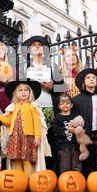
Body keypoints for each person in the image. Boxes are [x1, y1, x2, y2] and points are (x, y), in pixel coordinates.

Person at [22, 35, 65, 172]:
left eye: (39, 45)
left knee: (51, 141)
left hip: (50, 108)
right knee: (33, 141)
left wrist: (52, 86)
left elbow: (63, 88)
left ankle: (52, 172)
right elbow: (20, 89)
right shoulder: (25, 68)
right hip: (32, 109)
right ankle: (35, 172)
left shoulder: (52, 66)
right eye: (33, 45)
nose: (37, 47)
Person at [0, 80, 52, 178]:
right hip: (15, 137)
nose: (23, 92)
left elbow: (36, 123)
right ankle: (19, 180)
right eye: (20, 90)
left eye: (26, 90)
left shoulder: (32, 107)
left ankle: (28, 179)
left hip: (27, 137)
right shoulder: (13, 107)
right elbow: (8, 121)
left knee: (26, 159)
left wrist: (37, 137)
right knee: (16, 159)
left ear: (30, 93)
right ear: (16, 94)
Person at [52, 94, 81, 173]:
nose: (65, 104)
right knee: (65, 166)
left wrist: (78, 129)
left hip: (75, 146)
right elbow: (55, 129)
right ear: (59, 106)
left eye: (67, 103)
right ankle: (65, 182)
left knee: (76, 165)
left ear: (71, 105)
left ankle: (77, 181)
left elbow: (80, 126)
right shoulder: (57, 117)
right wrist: (65, 131)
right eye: (62, 103)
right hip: (63, 147)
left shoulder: (76, 117)